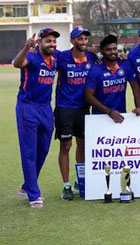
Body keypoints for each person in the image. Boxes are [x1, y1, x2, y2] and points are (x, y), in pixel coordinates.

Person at [13, 28, 59, 208]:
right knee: (29, 152)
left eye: (54, 41)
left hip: (46, 108)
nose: (52, 44)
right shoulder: (31, 57)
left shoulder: (55, 59)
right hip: (28, 106)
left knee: (43, 150)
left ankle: (26, 186)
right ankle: (33, 194)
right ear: (39, 42)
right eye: (48, 41)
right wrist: (26, 47)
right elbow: (17, 63)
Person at [54, 27, 98, 200]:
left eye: (85, 39)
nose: (84, 42)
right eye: (80, 39)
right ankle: (66, 185)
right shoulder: (62, 56)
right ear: (72, 41)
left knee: (83, 144)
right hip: (65, 108)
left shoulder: (92, 58)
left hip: (83, 108)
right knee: (66, 145)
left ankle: (80, 181)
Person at [84, 35, 140, 123]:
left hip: (121, 115)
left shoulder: (125, 64)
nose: (112, 52)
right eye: (108, 49)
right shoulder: (95, 69)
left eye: (114, 49)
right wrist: (109, 112)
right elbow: (88, 96)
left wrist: (139, 107)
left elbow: (135, 86)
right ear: (102, 51)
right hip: (100, 118)